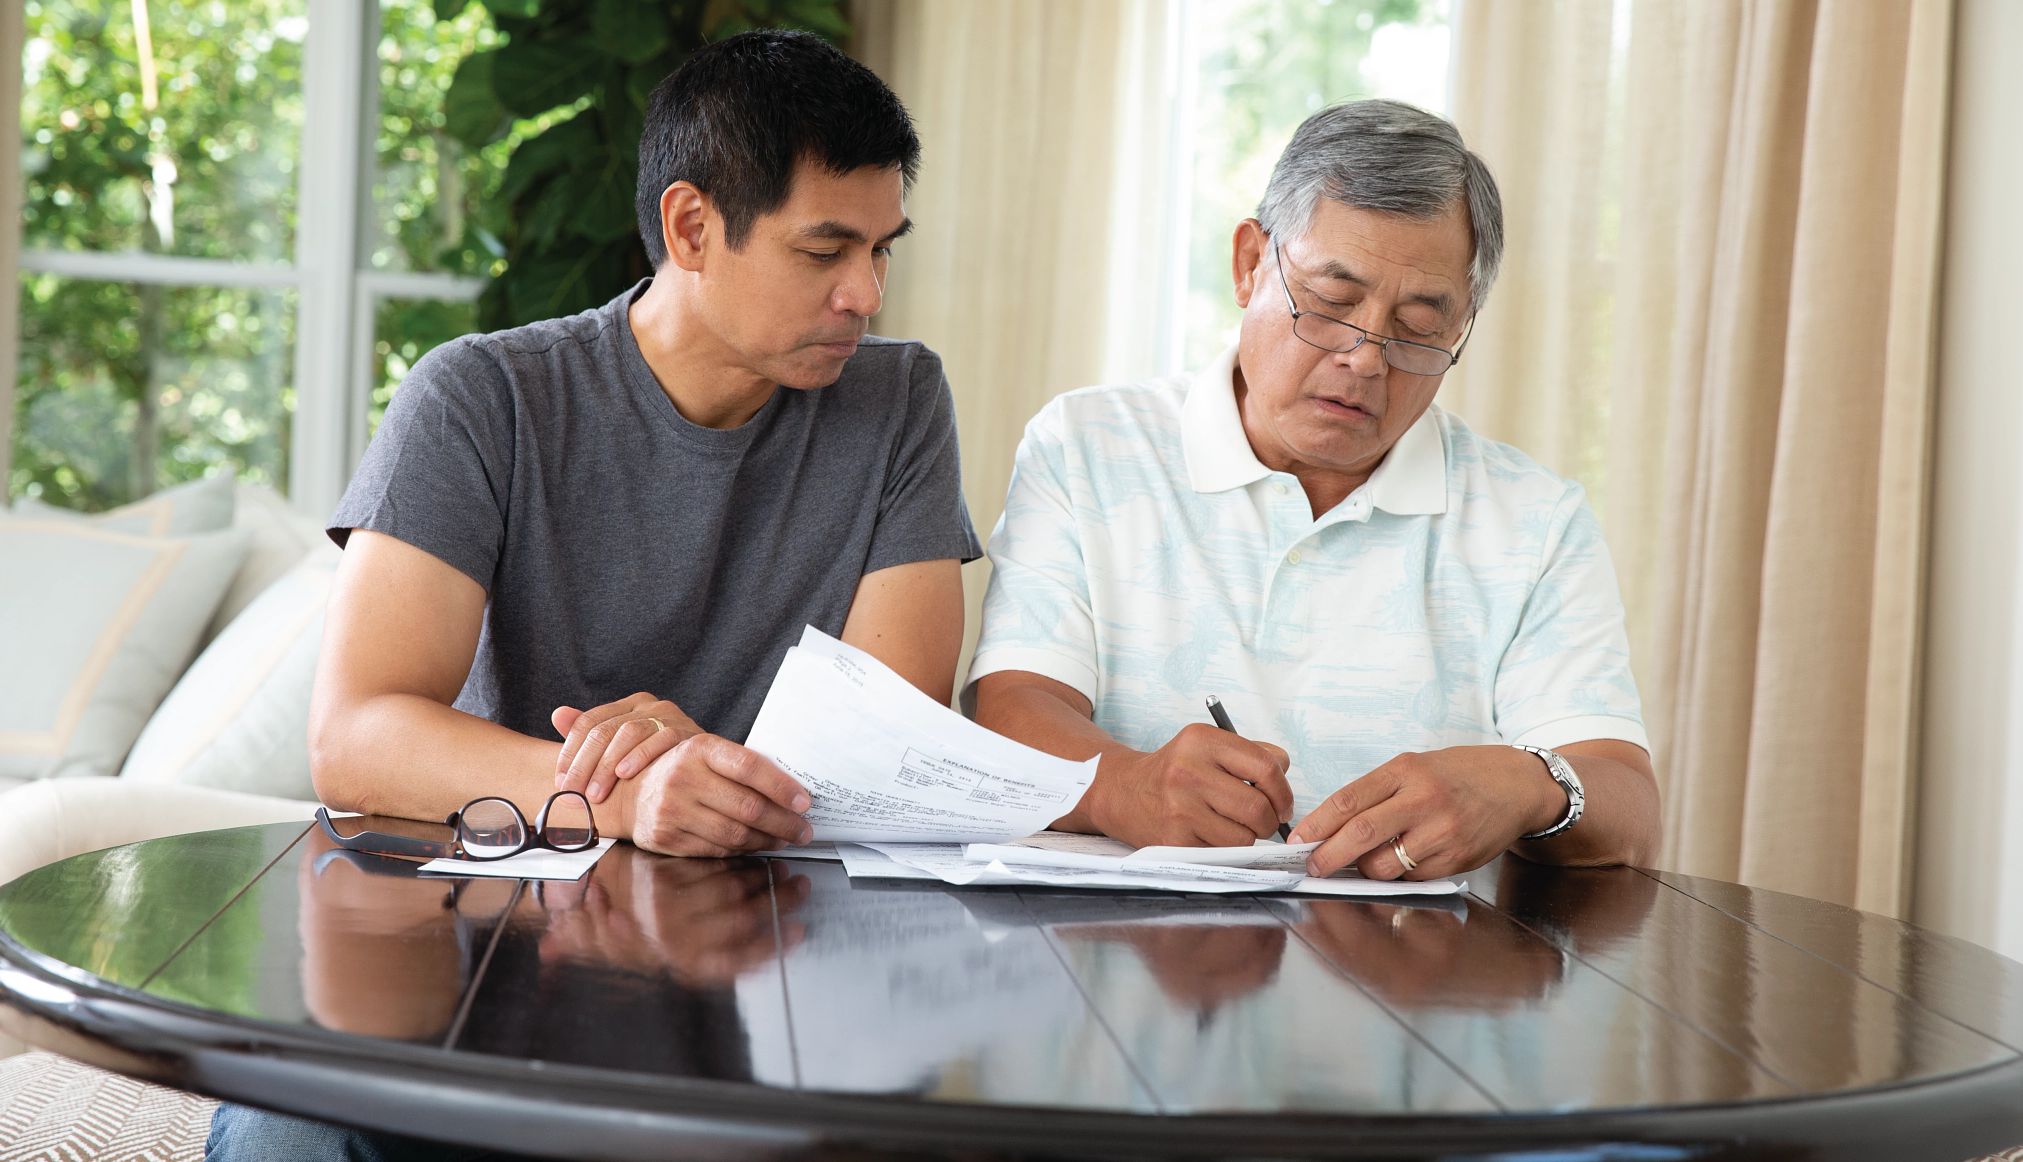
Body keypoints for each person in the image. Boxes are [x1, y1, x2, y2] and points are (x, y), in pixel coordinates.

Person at [208, 28, 977, 1161]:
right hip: (475, 967)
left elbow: (893, 743)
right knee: (290, 1133)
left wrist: (692, 760)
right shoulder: (482, 398)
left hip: (764, 987)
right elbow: (357, 733)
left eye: (880, 250)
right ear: (690, 228)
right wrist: (623, 792)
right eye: (824, 251)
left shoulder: (898, 401)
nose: (863, 293)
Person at [968, 99, 1657, 882]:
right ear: (1247, 264)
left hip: (1412, 972)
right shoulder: (1089, 445)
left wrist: (1530, 784)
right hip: (1125, 957)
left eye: (1418, 325)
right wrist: (1124, 785)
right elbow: (1013, 703)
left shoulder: (1534, 520)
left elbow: (1627, 812)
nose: (1365, 358)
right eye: (1330, 304)